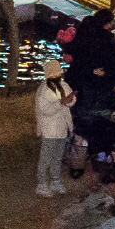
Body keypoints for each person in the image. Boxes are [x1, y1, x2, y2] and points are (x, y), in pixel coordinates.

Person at [33, 61, 77, 197]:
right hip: (49, 129)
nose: (57, 75)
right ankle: (42, 184)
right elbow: (45, 110)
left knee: (58, 157)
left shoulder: (64, 85)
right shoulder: (44, 91)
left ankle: (56, 181)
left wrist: (69, 100)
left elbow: (72, 101)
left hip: (62, 127)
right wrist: (61, 103)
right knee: (46, 157)